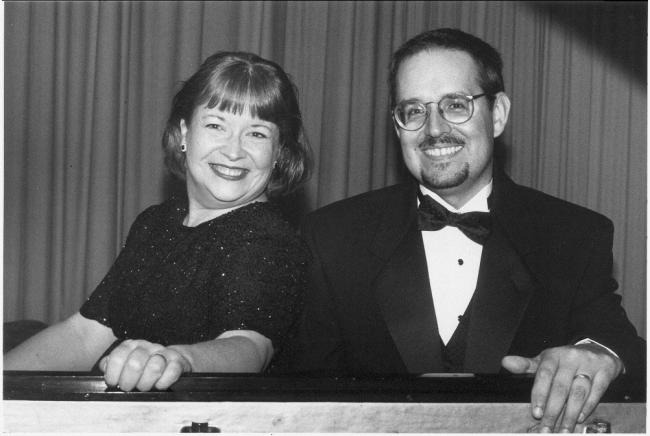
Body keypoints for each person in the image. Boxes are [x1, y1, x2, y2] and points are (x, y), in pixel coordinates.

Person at [291, 28, 645, 433]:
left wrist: (600, 354)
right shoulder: (333, 236)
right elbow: (302, 395)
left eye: (456, 105)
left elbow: (619, 342)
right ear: (397, 125)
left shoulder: (574, 235)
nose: (434, 129)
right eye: (413, 111)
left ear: (498, 115)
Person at [5, 51, 311, 392]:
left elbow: (251, 347)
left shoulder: (270, 239)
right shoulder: (156, 223)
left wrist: (181, 360)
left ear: (279, 151)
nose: (234, 151)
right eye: (215, 125)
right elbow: (85, 332)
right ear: (184, 133)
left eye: (257, 134)